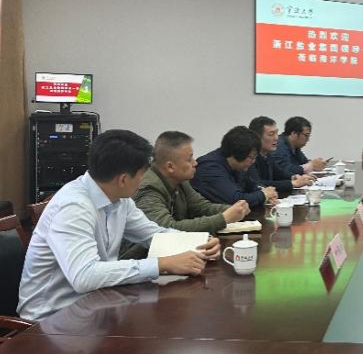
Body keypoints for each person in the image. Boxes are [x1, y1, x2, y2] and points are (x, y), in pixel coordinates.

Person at [18, 129, 217, 321]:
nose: (143, 180)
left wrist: (198, 243)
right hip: (50, 320)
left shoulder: (119, 199)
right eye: (142, 174)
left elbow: (154, 234)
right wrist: (160, 264)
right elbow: (84, 276)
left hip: (94, 305)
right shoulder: (73, 208)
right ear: (123, 179)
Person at [119, 131, 251, 259]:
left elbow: (201, 207)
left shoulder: (180, 180)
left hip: (172, 252)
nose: (195, 163)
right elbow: (166, 229)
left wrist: (233, 210)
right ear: (170, 167)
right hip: (142, 260)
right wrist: (223, 218)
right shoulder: (148, 188)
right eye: (189, 159)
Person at [191, 126, 277, 208]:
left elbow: (251, 184)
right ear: (237, 153)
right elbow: (234, 200)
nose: (253, 161)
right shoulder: (209, 168)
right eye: (252, 157)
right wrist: (263, 195)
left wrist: (264, 192)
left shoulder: (236, 165)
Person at [249, 116, 314, 196]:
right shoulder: (250, 158)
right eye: (271, 134)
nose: (276, 138)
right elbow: (258, 183)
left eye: (276, 133)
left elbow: (279, 173)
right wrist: (292, 183)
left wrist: (294, 177)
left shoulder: (267, 154)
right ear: (257, 137)